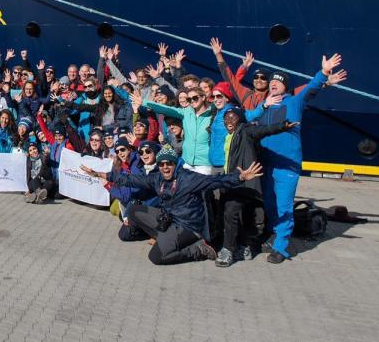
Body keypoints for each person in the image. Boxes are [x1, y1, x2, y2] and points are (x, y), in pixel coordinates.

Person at [81, 147, 264, 265]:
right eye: (162, 164)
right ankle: (162, 237)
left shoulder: (188, 179)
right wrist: (101, 174)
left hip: (188, 226)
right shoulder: (157, 177)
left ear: (175, 165)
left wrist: (240, 177)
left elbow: (215, 181)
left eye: (169, 163)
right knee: (134, 210)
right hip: (169, 219)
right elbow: (132, 179)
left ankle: (198, 249)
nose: (165, 167)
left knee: (156, 257)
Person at [245, 54, 341, 263]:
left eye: (277, 82)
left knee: (284, 205)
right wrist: (263, 106)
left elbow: (312, 89)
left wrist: (324, 72)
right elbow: (247, 119)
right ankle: (272, 234)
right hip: (266, 163)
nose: (272, 85)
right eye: (271, 82)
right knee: (269, 203)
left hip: (286, 164)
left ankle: (281, 247)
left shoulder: (295, 102)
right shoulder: (265, 106)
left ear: (285, 87)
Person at [215, 107, 297, 267]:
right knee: (245, 215)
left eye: (233, 117)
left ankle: (228, 250)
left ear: (240, 120)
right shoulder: (229, 136)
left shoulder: (245, 131)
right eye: (226, 118)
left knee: (231, 212)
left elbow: (262, 130)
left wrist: (281, 126)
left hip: (245, 182)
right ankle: (245, 248)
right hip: (234, 181)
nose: (229, 121)